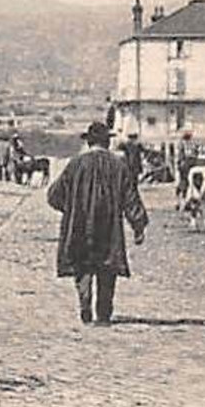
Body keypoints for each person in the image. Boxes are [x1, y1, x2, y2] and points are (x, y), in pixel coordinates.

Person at [46, 121, 148, 326]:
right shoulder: (119, 166)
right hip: (109, 227)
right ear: (106, 142)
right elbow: (131, 198)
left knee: (82, 264)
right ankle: (103, 313)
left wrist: (71, 209)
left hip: (80, 224)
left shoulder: (76, 164)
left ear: (89, 142)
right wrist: (138, 226)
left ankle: (85, 304)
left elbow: (54, 195)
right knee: (107, 267)